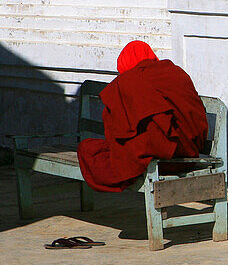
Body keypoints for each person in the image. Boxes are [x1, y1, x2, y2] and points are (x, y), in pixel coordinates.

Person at [77, 41, 209, 192]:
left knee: (87, 149)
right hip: (189, 150)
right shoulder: (174, 72)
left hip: (166, 158)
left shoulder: (129, 82)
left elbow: (117, 130)